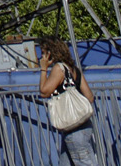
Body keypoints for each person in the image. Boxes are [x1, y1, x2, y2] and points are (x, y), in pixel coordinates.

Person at [38, 37, 97, 166]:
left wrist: (43, 69)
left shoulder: (59, 69)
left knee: (84, 163)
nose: (41, 57)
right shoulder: (74, 69)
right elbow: (90, 97)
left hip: (74, 130)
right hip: (83, 125)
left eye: (43, 53)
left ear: (51, 53)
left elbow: (44, 92)